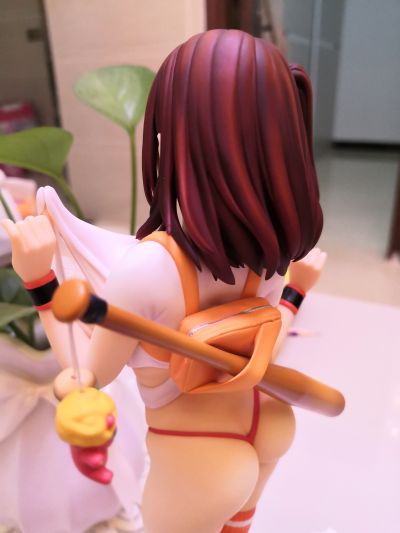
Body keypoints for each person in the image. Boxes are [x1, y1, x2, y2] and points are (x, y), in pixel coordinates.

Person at [3, 29, 326, 533]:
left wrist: (40, 279)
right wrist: (295, 291)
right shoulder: (270, 251)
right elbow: (263, 342)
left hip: (196, 453)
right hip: (267, 419)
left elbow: (86, 377)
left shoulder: (149, 270)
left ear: (180, 138)